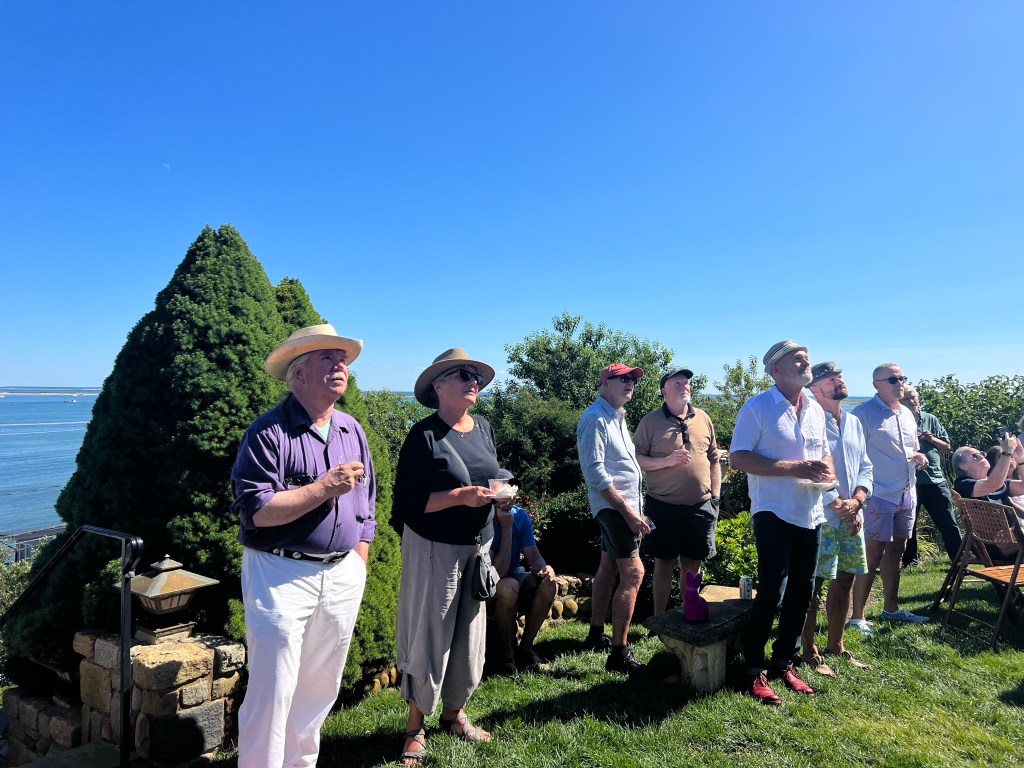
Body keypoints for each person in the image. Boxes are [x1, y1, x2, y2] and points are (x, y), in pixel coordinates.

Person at [231, 324, 376, 768]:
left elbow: (368, 505)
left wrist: (358, 562)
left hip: (341, 574)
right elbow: (256, 511)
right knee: (272, 690)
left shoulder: (351, 429)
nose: (340, 366)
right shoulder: (268, 432)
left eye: (342, 359)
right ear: (298, 374)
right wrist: (325, 486)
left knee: (319, 688)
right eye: (327, 358)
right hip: (280, 575)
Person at [392, 348, 500, 766]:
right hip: (435, 549)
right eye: (463, 374)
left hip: (479, 547)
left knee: (469, 638)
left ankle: (455, 713)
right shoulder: (423, 436)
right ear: (438, 385)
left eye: (476, 376)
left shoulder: (483, 427)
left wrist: (500, 493)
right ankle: (414, 727)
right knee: (429, 634)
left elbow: (491, 473)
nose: (473, 381)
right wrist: (460, 496)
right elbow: (407, 504)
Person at [730, 340, 836, 705]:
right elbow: (738, 458)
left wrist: (826, 472)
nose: (806, 363)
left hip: (811, 510)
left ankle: (783, 662)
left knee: (802, 592)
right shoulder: (757, 407)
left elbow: (823, 453)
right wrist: (797, 468)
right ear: (776, 370)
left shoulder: (815, 409)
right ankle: (753, 668)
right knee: (773, 590)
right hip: (774, 510)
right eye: (798, 359)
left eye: (806, 358)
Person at [576, 362, 652, 675]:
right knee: (633, 573)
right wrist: (629, 512)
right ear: (604, 383)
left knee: (608, 566)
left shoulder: (616, 416)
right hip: (615, 508)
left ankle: (596, 634)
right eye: (622, 378)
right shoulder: (596, 418)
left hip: (620, 507)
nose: (629, 383)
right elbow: (595, 472)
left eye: (632, 379)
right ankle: (619, 654)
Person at [799, 362, 873, 671]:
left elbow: (865, 465)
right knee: (812, 585)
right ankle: (808, 649)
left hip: (853, 516)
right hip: (822, 517)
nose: (838, 381)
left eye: (839, 376)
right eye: (830, 379)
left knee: (845, 580)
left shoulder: (853, 422)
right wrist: (838, 503)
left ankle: (836, 644)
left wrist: (857, 501)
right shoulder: (809, 421)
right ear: (813, 388)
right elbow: (810, 468)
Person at [633, 366, 721, 615]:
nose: (685, 387)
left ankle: (688, 615)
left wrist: (715, 496)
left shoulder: (703, 418)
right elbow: (636, 459)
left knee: (693, 565)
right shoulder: (650, 422)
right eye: (677, 383)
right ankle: (659, 620)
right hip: (662, 506)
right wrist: (667, 461)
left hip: (701, 506)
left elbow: (714, 458)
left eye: (686, 382)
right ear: (664, 391)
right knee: (664, 564)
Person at [849, 364, 931, 630]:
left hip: (906, 493)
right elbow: (853, 455)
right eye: (893, 379)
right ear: (876, 384)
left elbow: (912, 448)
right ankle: (857, 617)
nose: (900, 383)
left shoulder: (906, 413)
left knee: (897, 550)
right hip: (878, 494)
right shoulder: (863, 414)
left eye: (902, 378)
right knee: (872, 554)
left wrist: (919, 456)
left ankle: (891, 609)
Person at [489, 469, 558, 675]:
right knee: (509, 586)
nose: (509, 498)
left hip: (512, 577)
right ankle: (506, 656)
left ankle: (525, 649)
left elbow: (533, 558)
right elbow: (497, 573)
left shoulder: (519, 516)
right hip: (486, 585)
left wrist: (545, 568)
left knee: (548, 584)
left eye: (511, 490)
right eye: (503, 492)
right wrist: (506, 529)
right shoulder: (485, 520)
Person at [899, 386, 962, 567]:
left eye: (913, 397)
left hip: (934, 479)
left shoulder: (930, 419)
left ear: (918, 397)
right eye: (906, 399)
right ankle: (910, 561)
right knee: (910, 523)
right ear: (900, 402)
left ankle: (959, 558)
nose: (911, 401)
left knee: (947, 521)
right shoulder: (899, 420)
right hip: (910, 481)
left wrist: (931, 438)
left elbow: (947, 447)